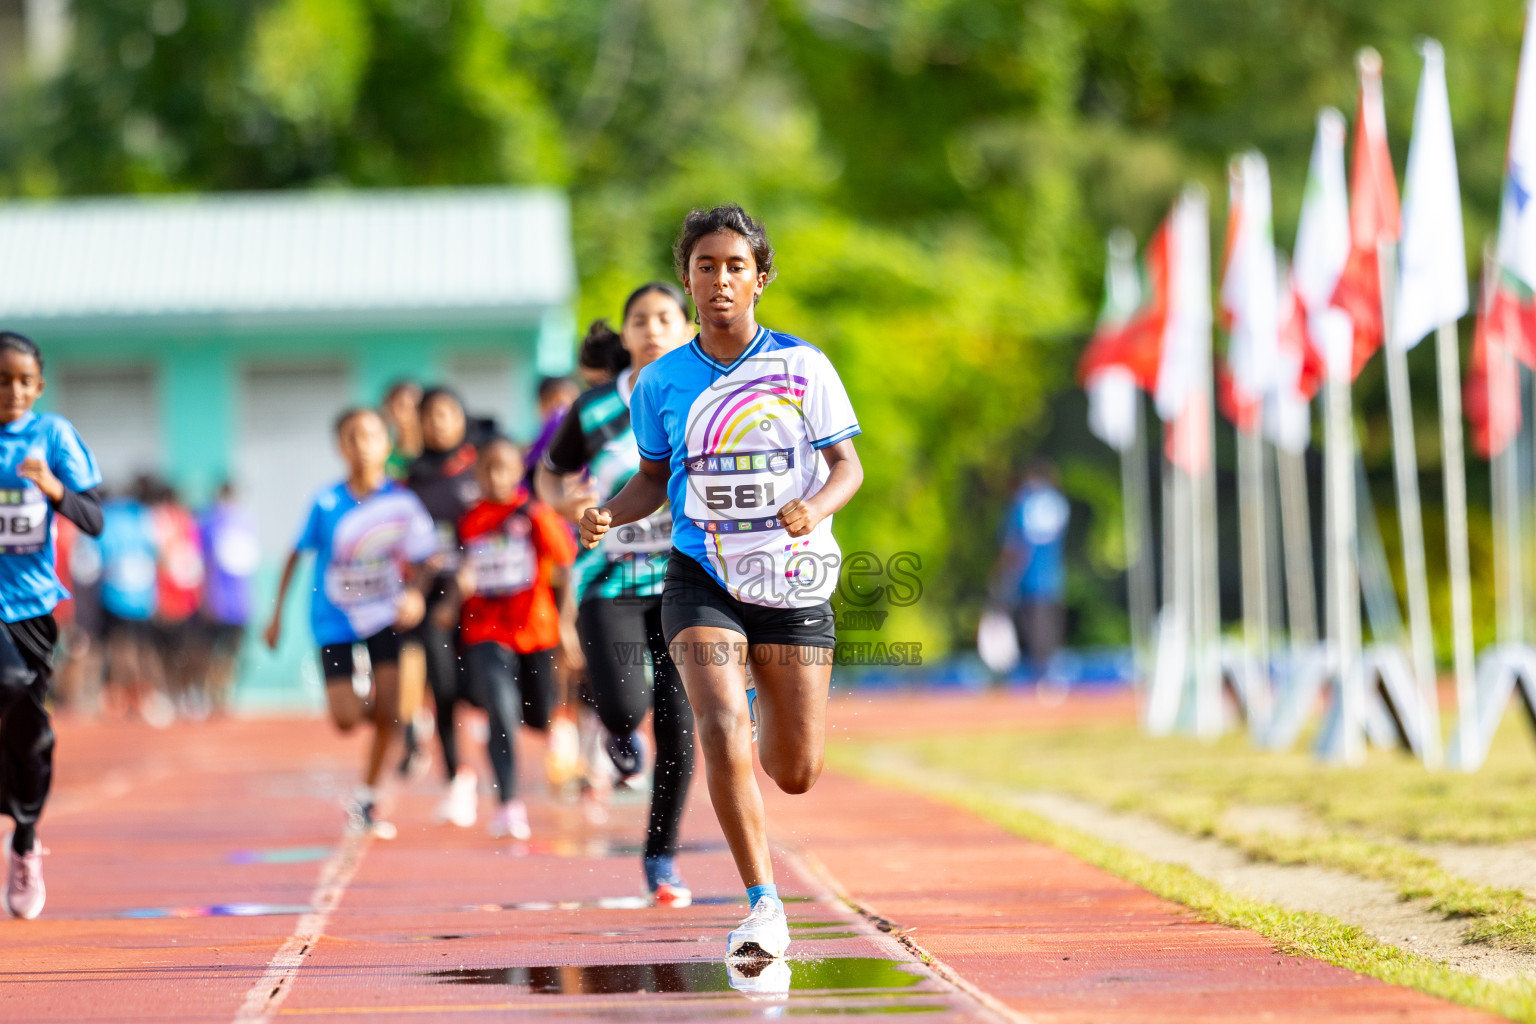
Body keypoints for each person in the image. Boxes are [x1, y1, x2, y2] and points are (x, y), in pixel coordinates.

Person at [580, 205, 863, 960]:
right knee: (717, 726)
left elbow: (848, 468)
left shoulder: (804, 366)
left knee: (795, 771)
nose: (720, 280)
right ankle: (763, 903)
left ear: (760, 280)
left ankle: (757, 707)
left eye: (736, 266)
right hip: (701, 577)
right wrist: (607, 515)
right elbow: (649, 481)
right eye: (706, 266)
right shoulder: (660, 382)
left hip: (794, 583)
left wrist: (816, 505)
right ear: (688, 278)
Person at [538, 283, 698, 906]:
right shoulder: (596, 408)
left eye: (665, 318)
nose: (654, 329)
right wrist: (570, 503)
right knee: (624, 706)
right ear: (625, 336)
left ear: (685, 327)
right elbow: (549, 474)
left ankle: (661, 857)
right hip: (610, 584)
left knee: (681, 723)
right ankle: (616, 732)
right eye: (641, 320)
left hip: (691, 580)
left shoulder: (708, 395)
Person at [264, 408, 436, 837]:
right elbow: (294, 555)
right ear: (341, 446)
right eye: (352, 437)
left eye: (371, 435)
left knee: (392, 710)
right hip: (334, 619)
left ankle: (368, 797)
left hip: (385, 615)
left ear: (386, 444)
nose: (362, 445)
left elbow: (428, 557)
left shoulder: (401, 502)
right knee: (345, 719)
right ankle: (393, 718)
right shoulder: (325, 502)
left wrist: (416, 593)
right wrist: (275, 615)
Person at [0, 332, 104, 920]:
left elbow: (94, 517)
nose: (11, 391)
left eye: (22, 380)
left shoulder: (52, 436)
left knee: (28, 728)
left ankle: (24, 838)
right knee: (7, 687)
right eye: (0, 380)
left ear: (38, 386)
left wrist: (53, 488)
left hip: (33, 608)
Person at [445, 437, 576, 838]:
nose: (496, 476)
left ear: (519, 471)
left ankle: (559, 732)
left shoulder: (535, 513)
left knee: (537, 717)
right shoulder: (468, 520)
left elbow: (567, 565)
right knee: (501, 713)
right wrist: (454, 596)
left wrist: (568, 624)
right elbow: (461, 569)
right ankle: (508, 804)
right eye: (487, 468)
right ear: (478, 473)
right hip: (486, 629)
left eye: (504, 467)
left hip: (535, 630)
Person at [406, 387, 486, 827]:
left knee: (479, 688)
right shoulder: (411, 478)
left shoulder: (479, 465)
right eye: (429, 415)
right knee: (443, 688)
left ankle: (487, 739)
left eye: (446, 413)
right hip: (432, 597)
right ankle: (458, 778)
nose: (438, 422)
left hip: (484, 597)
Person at [992, 460, 1071, 677]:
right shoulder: (1057, 502)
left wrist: (1003, 574)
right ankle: (1049, 677)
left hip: (1027, 579)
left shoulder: (1024, 502)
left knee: (1030, 637)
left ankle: (1036, 680)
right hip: (1053, 579)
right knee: (1049, 635)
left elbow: (1013, 543)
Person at [98, 478, 167, 724]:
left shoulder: (110, 517)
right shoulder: (145, 518)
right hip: (141, 596)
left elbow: (97, 557)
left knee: (121, 650)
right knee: (141, 651)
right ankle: (143, 697)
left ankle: (126, 698)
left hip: (115, 595)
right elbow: (160, 554)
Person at [196, 482, 259, 713]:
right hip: (223, 602)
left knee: (228, 653)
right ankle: (214, 694)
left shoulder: (243, 522)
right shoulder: (212, 522)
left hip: (235, 603)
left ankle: (220, 694)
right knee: (219, 653)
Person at [149, 482, 206, 717]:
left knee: (169, 653)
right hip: (179, 598)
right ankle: (180, 694)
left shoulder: (159, 521)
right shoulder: (182, 522)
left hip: (172, 599)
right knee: (179, 651)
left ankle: (177, 695)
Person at [524, 377, 580, 478]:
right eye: (550, 401)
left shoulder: (585, 444)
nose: (557, 411)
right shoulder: (531, 449)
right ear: (540, 405)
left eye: (561, 404)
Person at [381, 380, 424, 483]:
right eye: (401, 405)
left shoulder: (433, 449)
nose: (408, 412)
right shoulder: (382, 449)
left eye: (415, 406)